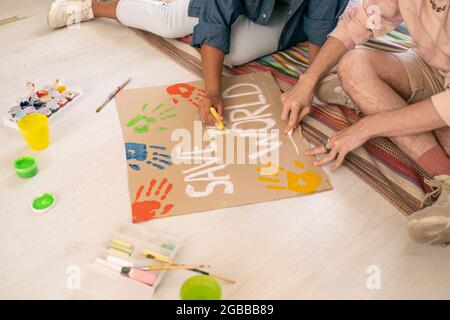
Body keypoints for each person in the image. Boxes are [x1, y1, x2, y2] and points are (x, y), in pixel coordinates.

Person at [281, 0, 450, 246]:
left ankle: (376, 100)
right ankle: (444, 173)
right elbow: (357, 21)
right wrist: (309, 78)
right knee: (353, 64)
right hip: (433, 67)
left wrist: (367, 127)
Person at [47, 0, 349, 124]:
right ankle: (92, 6)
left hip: (290, 13)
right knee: (169, 22)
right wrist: (213, 92)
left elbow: (321, 22)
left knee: (234, 54)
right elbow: (216, 15)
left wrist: (312, 81)